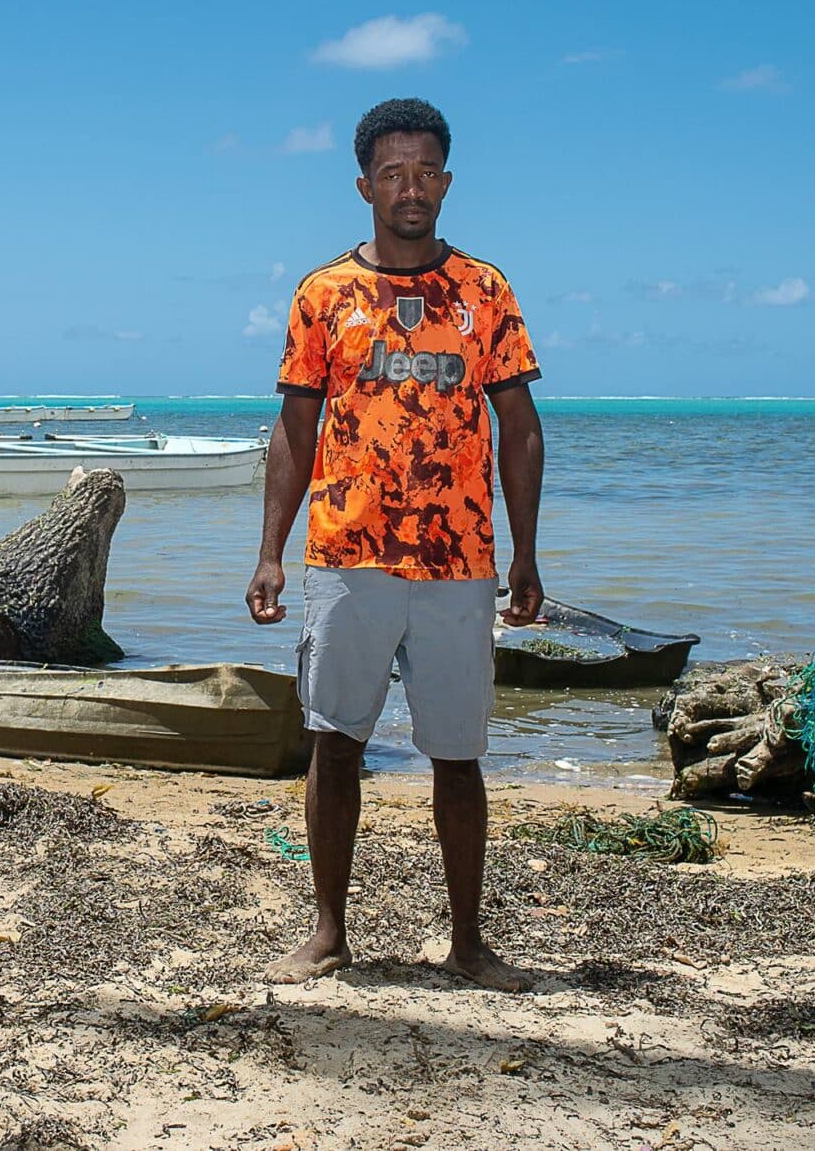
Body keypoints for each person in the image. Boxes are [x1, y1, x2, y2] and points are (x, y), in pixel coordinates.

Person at [245, 98, 545, 992]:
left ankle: (469, 943)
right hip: (347, 556)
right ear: (364, 186)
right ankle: (328, 932)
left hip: (460, 562)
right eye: (392, 174)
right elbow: (295, 430)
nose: (409, 189)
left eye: (425, 173)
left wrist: (526, 552)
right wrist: (270, 551)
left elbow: (521, 428)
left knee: (458, 756)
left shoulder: (485, 291)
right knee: (335, 742)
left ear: (446, 182)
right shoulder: (323, 294)